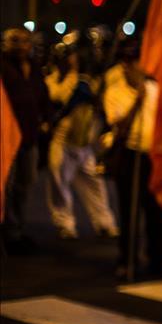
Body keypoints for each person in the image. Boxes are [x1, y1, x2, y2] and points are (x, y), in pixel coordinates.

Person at [103, 40, 162, 279]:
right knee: (129, 211)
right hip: (130, 156)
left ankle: (158, 261)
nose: (139, 68)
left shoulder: (154, 89)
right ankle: (127, 260)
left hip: (152, 155)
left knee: (155, 212)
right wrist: (136, 103)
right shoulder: (114, 92)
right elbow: (119, 127)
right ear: (125, 65)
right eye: (134, 63)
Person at [44, 41, 118, 240]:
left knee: (95, 186)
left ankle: (104, 223)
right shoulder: (54, 80)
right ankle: (65, 224)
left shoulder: (88, 80)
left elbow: (99, 101)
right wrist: (76, 81)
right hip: (63, 140)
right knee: (59, 185)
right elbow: (58, 97)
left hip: (85, 144)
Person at [1, 27, 52, 250]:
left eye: (24, 41)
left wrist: (47, 118)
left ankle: (17, 230)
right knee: (7, 185)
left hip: (30, 136)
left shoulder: (34, 67)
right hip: (6, 138)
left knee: (25, 183)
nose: (20, 45)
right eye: (14, 40)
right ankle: (8, 233)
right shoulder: (3, 67)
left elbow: (43, 95)